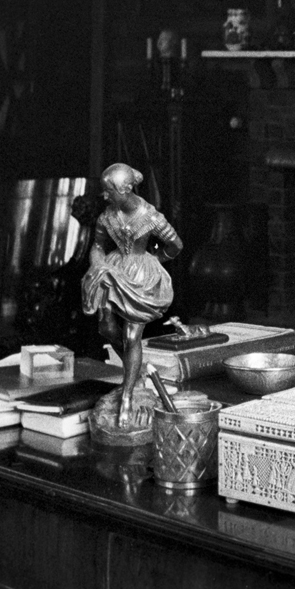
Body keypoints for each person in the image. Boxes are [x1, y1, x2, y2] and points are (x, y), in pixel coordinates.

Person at [81, 163, 183, 427]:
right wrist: (98, 264)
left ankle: (127, 395)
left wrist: (156, 261)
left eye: (108, 191)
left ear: (125, 190)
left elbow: (176, 244)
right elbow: (97, 246)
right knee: (105, 328)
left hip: (141, 277)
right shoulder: (107, 217)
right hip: (113, 272)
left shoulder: (151, 217)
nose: (104, 196)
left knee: (131, 335)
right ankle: (134, 372)